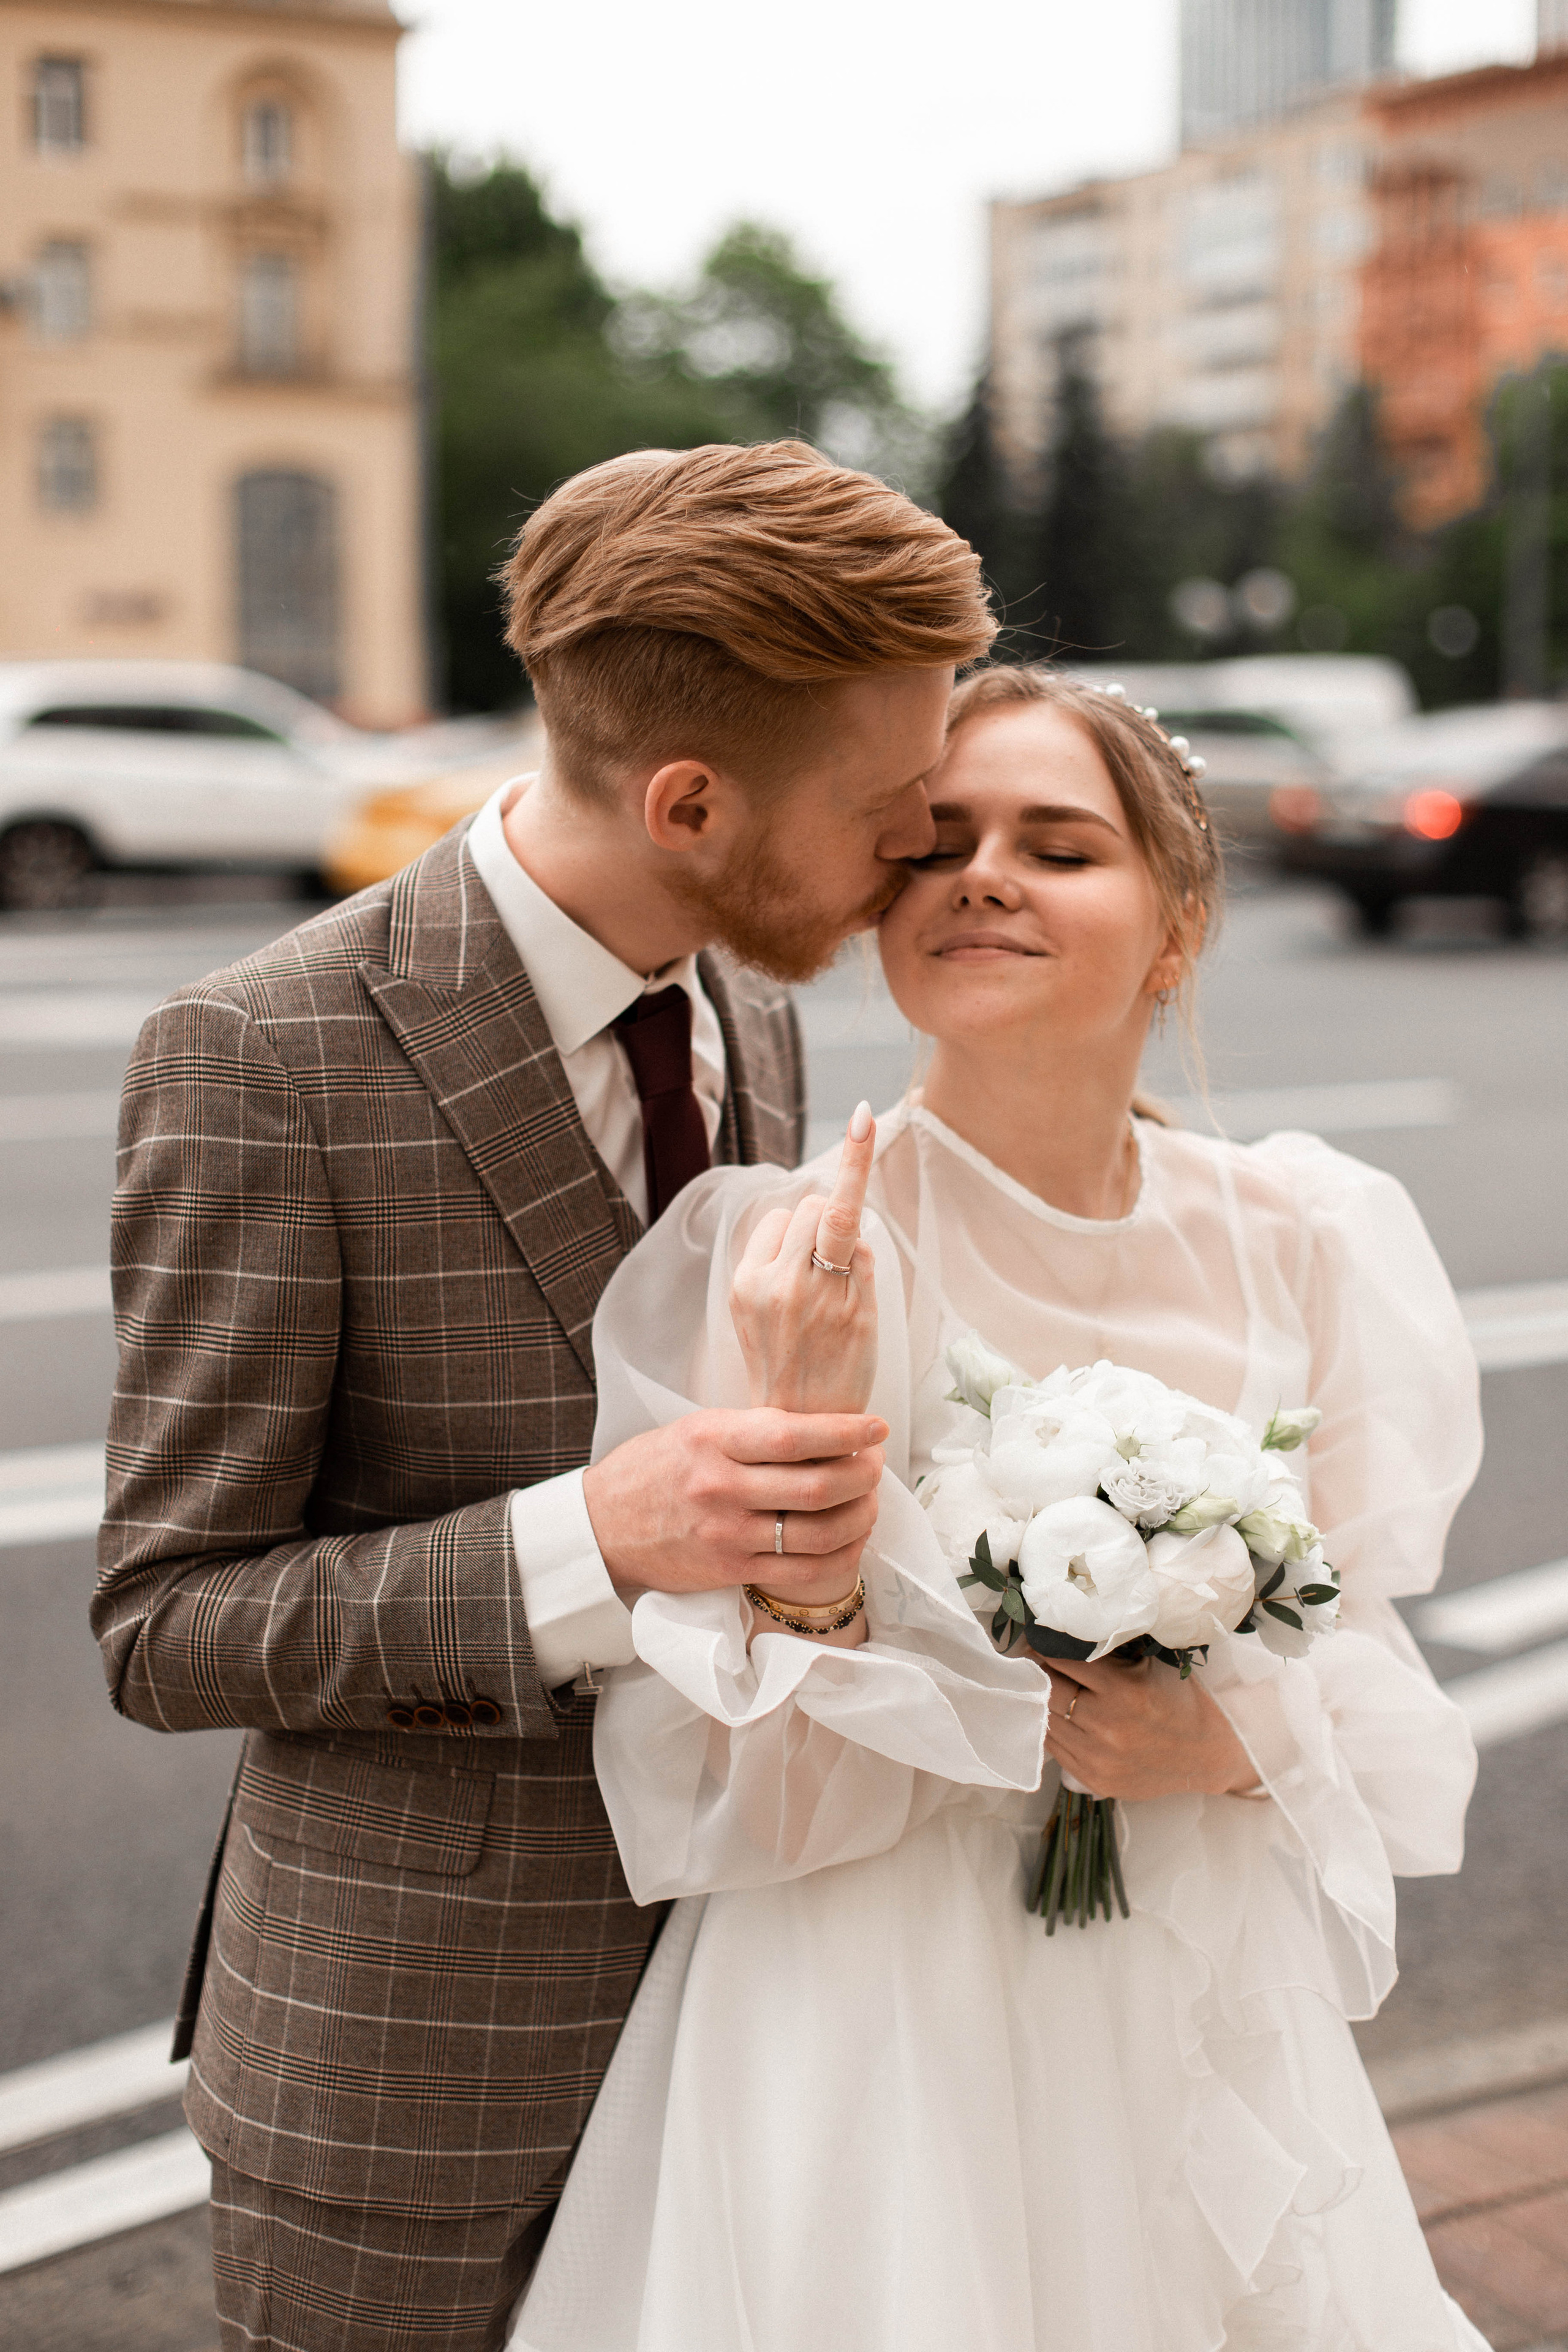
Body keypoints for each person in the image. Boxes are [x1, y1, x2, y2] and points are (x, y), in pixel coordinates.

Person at [90, 440, 998, 2351]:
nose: (924, 844)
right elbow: (167, 1628)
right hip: (409, 2083)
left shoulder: (753, 994)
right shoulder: (262, 1057)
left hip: (755, 2028)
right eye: (890, 806)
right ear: (689, 800)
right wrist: (592, 1543)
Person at [509, 665, 1490, 2351]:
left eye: (1060, 845)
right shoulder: (783, 1252)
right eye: (940, 841)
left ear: (1172, 925)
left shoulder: (1306, 1236)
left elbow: (1379, 1678)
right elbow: (741, 1798)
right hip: (882, 2009)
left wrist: (1232, 1746)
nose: (984, 875)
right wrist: (809, 1415)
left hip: (1193, 1995)